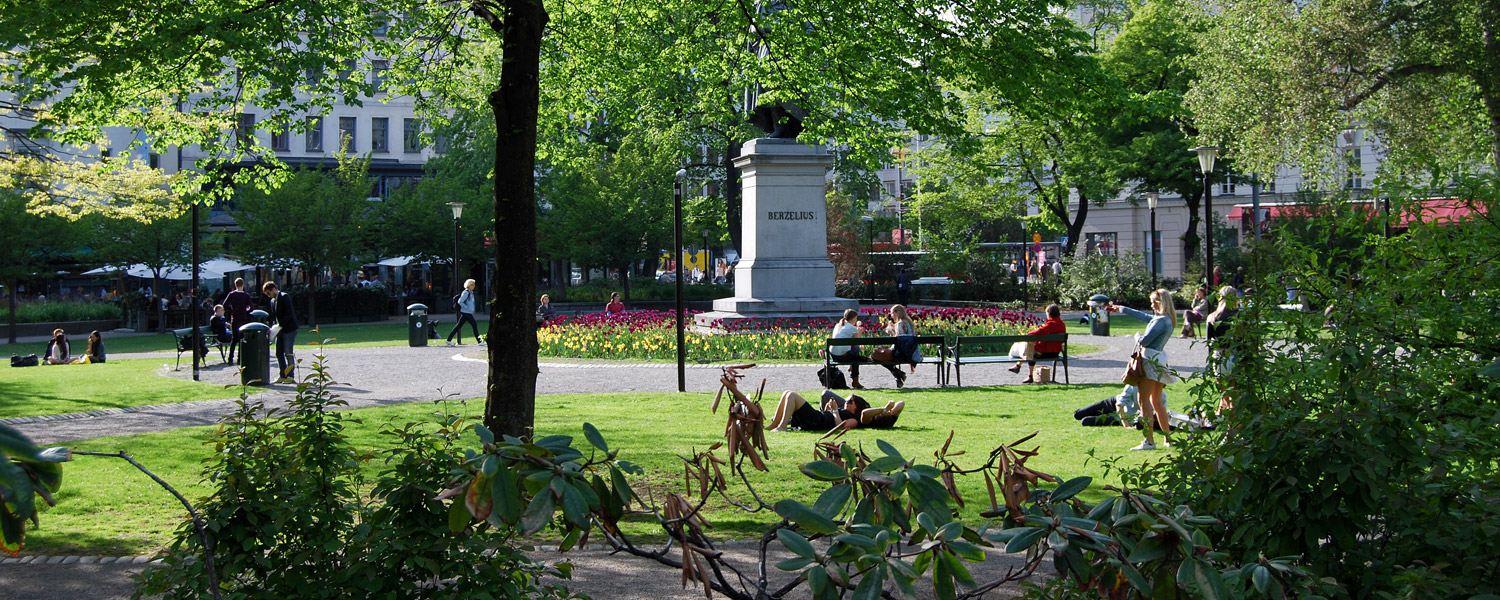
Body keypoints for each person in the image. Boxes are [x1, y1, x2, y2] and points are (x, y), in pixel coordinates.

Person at [1109, 289, 1178, 450]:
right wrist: (1122, 309)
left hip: (1150, 361)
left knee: (1143, 400)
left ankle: (1149, 441)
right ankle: (1168, 439)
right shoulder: (1166, 319)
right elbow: (1146, 317)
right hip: (1160, 360)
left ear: (1162, 302)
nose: (1151, 304)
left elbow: (1145, 342)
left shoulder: (1161, 321)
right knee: (1157, 401)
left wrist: (1137, 336)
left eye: (1154, 302)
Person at [765, 387, 905, 437]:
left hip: (817, 421)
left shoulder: (854, 419)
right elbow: (901, 403)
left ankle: (782, 427)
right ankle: (773, 426)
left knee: (791, 395)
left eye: (849, 402)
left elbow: (839, 426)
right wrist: (829, 410)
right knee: (787, 393)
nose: (846, 403)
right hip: (818, 418)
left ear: (855, 406)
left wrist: (834, 411)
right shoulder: (847, 412)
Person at [826, 308, 905, 389]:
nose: (856, 320)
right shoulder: (852, 328)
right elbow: (856, 344)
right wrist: (859, 333)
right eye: (856, 318)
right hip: (844, 357)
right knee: (856, 356)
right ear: (853, 318)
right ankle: (855, 381)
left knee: (857, 356)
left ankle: (858, 365)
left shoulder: (837, 325)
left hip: (834, 356)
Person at [1008, 304, 1067, 383]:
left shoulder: (1051, 324)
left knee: (1031, 352)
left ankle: (1029, 375)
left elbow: (1039, 331)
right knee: (1031, 351)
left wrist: (1029, 333)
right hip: (1055, 353)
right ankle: (1018, 366)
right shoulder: (1062, 324)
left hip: (1046, 353)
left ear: (1049, 313)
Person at [1207, 285, 1241, 413]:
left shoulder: (1212, 317)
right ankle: (1233, 425)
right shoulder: (1239, 315)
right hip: (1234, 356)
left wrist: (1210, 364)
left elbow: (1209, 342)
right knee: (1235, 396)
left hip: (1218, 357)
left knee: (1224, 394)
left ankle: (1224, 419)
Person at [262, 281, 299, 383]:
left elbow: (289, 313)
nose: (269, 296)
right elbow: (275, 317)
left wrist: (280, 325)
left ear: (274, 289)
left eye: (269, 293)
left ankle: (290, 376)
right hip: (280, 330)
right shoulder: (273, 301)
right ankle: (283, 375)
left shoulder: (284, 296)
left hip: (288, 329)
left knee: (288, 352)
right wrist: (274, 328)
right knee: (279, 353)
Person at [222, 278, 254, 365]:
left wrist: (231, 309)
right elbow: (251, 307)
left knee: (234, 339)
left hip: (235, 318)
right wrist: (246, 311)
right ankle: (240, 358)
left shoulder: (232, 294)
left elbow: (224, 305)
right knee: (241, 339)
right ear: (243, 285)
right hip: (243, 318)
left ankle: (230, 358)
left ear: (235, 285)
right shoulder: (246, 295)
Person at [884, 304, 920, 377]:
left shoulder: (899, 324)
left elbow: (899, 341)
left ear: (897, 313)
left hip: (903, 354)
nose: (891, 316)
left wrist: (891, 332)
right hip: (914, 353)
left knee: (879, 357)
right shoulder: (909, 322)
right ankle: (899, 375)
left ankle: (898, 374)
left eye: (892, 313)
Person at [447, 279, 481, 346]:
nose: (474, 286)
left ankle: (449, 340)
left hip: (467, 312)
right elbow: (460, 301)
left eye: (474, 285)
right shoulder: (466, 292)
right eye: (472, 285)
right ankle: (479, 341)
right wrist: (466, 308)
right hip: (466, 312)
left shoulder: (471, 293)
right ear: (469, 285)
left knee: (458, 326)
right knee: (474, 324)